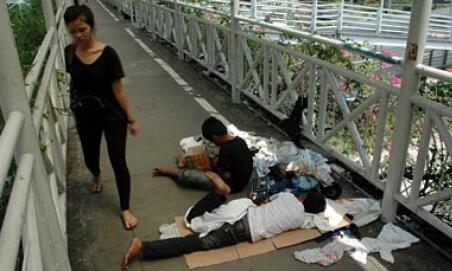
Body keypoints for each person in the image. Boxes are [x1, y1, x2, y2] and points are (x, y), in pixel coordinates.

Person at [64, 4, 138, 230]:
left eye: (82, 29)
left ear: (92, 26)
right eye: (73, 31)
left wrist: (131, 119)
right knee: (90, 157)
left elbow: (118, 90)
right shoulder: (69, 52)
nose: (78, 35)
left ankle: (125, 208)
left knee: (118, 161)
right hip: (85, 115)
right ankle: (96, 174)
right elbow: (74, 83)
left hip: (111, 115)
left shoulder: (108, 54)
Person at [121, 191, 326, 269]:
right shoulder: (301, 220)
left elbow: (266, 201)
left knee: (199, 231)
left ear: (304, 197)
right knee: (192, 244)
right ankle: (144, 247)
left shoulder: (289, 197)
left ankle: (144, 247)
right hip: (241, 231)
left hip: (243, 216)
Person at [153, 117, 253, 195]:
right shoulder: (239, 140)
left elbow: (226, 176)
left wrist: (215, 165)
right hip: (244, 178)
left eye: (212, 140)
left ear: (214, 137)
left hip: (230, 185)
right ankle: (185, 162)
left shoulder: (226, 149)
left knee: (191, 175)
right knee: (207, 153)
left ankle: (171, 172)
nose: (213, 143)